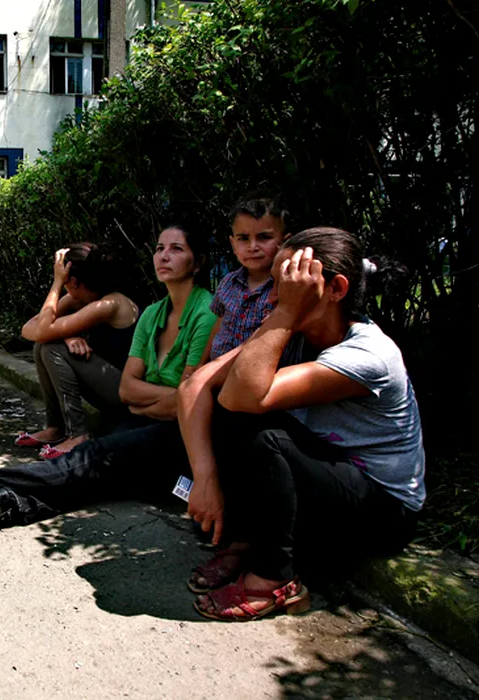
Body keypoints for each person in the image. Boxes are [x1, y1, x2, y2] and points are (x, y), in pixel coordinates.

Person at [178, 227, 424, 620]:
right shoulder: (293, 332)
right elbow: (200, 387)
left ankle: (274, 578)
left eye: (288, 284)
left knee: (265, 435)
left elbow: (243, 396)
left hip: (382, 512)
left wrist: (286, 313)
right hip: (323, 481)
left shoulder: (369, 354)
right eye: (275, 283)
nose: (272, 297)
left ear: (335, 289)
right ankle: (246, 543)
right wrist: (205, 479)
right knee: (233, 417)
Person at [0, 225, 216, 533]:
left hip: (178, 436)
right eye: (160, 248)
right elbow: (127, 389)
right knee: (95, 475)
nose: (164, 256)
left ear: (198, 262)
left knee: (91, 460)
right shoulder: (153, 314)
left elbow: (185, 401)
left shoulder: (205, 313)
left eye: (176, 249)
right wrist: (157, 400)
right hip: (141, 421)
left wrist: (147, 403)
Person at [16, 243, 140, 458]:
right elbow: (29, 328)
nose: (64, 287)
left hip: (130, 393)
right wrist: (66, 335)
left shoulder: (110, 304)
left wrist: (56, 283)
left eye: (65, 282)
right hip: (111, 386)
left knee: (52, 349)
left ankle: (78, 435)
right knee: (42, 346)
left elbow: (43, 330)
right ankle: (56, 428)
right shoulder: (80, 298)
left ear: (72, 281)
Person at [201, 194, 288, 363]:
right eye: (243, 239)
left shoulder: (286, 288)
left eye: (264, 237)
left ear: (285, 242)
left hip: (259, 373)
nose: (252, 247)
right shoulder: (228, 283)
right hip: (216, 371)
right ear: (233, 244)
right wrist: (200, 364)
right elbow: (219, 325)